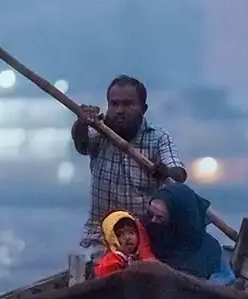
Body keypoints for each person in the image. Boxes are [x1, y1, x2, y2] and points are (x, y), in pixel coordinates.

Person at [72, 75, 187, 253]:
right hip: (101, 237)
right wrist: (81, 122)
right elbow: (81, 144)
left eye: (127, 104)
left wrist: (164, 171)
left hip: (145, 238)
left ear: (143, 109)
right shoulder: (100, 133)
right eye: (114, 104)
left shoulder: (157, 138)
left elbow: (179, 175)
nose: (119, 110)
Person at [141, 183, 236, 285]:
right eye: (150, 214)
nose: (153, 221)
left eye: (160, 217)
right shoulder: (142, 237)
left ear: (178, 219)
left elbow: (222, 282)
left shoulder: (210, 250)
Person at [92, 210, 156, 278]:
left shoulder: (146, 257)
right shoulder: (109, 263)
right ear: (111, 239)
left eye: (131, 232)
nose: (127, 237)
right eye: (120, 234)